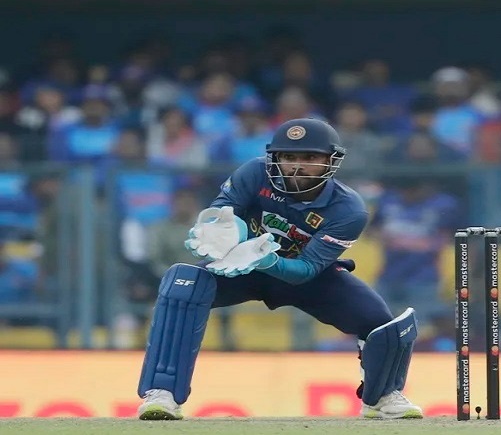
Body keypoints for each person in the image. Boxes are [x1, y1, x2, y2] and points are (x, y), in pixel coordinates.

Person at [135, 118, 423, 420]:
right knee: (183, 285)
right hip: (239, 267)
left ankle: (383, 396)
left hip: (306, 276)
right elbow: (224, 211)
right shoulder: (255, 172)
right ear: (275, 158)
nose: (297, 166)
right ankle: (162, 393)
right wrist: (223, 232)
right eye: (289, 157)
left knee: (379, 322)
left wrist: (265, 260)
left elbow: (307, 268)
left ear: (331, 161)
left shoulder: (348, 209)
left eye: (310, 158)